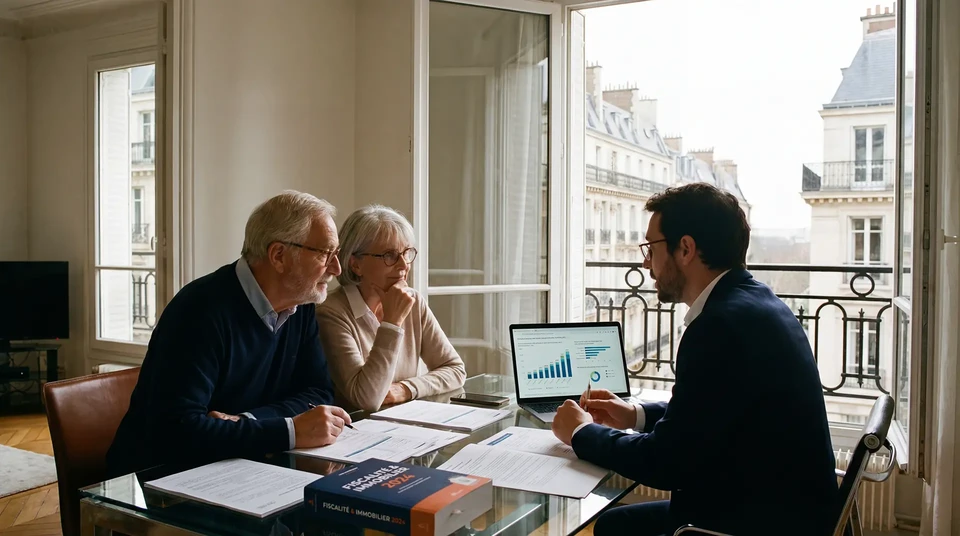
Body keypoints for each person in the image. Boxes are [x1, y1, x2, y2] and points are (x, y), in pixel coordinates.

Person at [551, 183, 838, 536]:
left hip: (756, 521)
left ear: (685, 249)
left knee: (615, 528)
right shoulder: (755, 301)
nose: (645, 262)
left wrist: (580, 432)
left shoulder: (719, 326)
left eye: (651, 247)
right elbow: (708, 411)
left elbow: (665, 463)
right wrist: (634, 415)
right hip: (782, 506)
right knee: (614, 524)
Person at [107, 191, 353, 476]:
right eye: (325, 254)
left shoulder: (302, 303)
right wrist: (288, 431)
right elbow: (178, 430)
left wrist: (247, 421)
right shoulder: (198, 311)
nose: (336, 268)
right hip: (158, 480)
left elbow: (317, 392)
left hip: (241, 467)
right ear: (279, 256)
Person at [316, 205, 466, 412]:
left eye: (407, 253)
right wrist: (392, 323)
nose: (404, 265)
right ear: (355, 264)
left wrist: (407, 388)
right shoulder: (330, 313)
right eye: (390, 255)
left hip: (405, 421)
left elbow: (455, 369)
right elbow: (366, 399)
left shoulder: (413, 301)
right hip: (357, 427)